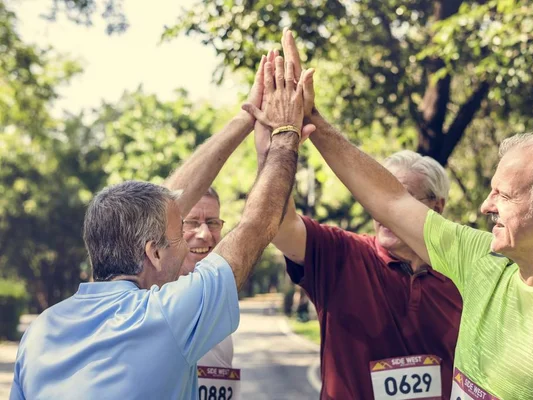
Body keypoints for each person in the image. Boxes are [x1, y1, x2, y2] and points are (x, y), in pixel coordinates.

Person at [249, 31, 533, 399]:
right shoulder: (481, 260)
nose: (486, 206)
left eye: (503, 195)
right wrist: (310, 121)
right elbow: (390, 201)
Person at [10, 53, 311, 399]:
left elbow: (163, 204)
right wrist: (286, 132)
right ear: (153, 252)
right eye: (178, 235)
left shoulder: (40, 331)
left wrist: (246, 118)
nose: (189, 241)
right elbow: (256, 226)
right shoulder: (166, 315)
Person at [247, 32, 463, 400]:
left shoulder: (465, 271)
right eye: (377, 201)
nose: (383, 213)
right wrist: (274, 152)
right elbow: (278, 227)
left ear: (437, 207)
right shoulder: (342, 253)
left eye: (400, 201)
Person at [179, 188, 234, 370]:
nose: (205, 234)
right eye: (192, 223)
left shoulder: (218, 299)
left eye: (212, 223)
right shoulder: (148, 302)